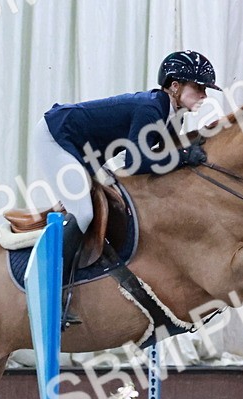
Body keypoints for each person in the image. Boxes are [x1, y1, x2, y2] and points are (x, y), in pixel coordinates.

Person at [34, 50, 221, 284]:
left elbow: (166, 158)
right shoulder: (150, 109)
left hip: (86, 152)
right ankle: (50, 283)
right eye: (199, 87)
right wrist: (184, 156)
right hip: (56, 135)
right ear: (175, 86)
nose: (204, 95)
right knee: (83, 213)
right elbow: (137, 163)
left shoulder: (173, 116)